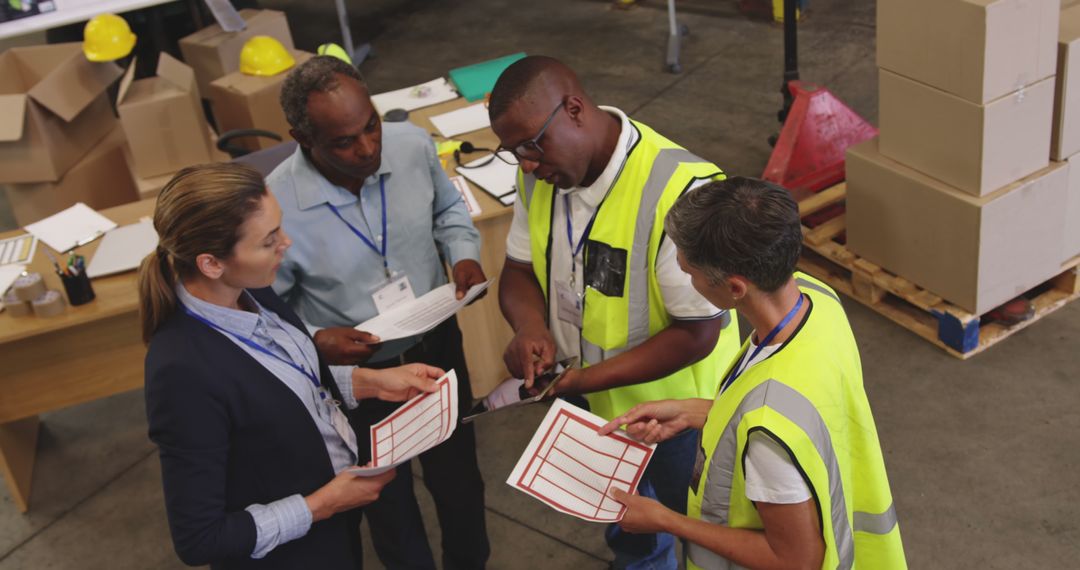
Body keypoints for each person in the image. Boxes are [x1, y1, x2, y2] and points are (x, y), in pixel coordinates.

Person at [488, 55, 741, 569]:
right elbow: (517, 270)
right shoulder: (542, 176)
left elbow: (698, 333)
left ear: (575, 109)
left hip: (674, 417)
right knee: (626, 526)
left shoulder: (680, 192)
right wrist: (531, 327)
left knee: (699, 530)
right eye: (513, 152)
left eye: (532, 145)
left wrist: (583, 380)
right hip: (590, 405)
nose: (526, 165)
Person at [141, 163, 445, 569]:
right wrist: (323, 504)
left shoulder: (251, 288)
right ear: (211, 263)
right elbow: (200, 539)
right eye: (268, 241)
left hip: (334, 527)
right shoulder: (181, 373)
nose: (287, 243)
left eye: (279, 228)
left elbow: (280, 383)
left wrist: (370, 382)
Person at [599, 177, 907, 569]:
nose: (687, 282)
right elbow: (805, 418)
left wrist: (666, 520)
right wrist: (697, 411)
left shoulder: (767, 436)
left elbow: (797, 560)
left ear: (735, 288)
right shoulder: (818, 302)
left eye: (689, 272)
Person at [268, 56, 489, 570]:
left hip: (436, 350)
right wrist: (317, 339)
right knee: (386, 502)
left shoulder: (411, 145)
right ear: (302, 137)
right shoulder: (275, 205)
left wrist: (464, 253)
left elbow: (448, 210)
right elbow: (267, 309)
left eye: (370, 127)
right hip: (356, 379)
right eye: (343, 142)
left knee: (459, 481)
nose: (367, 148)